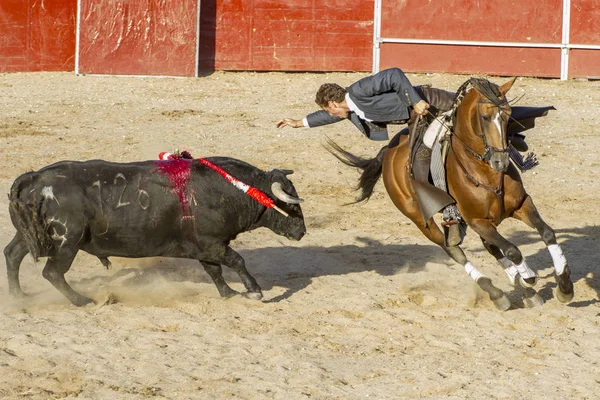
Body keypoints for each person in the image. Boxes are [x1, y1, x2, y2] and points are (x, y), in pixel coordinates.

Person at [276, 67, 463, 246]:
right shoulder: (350, 109)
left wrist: (415, 100)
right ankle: (451, 211)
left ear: (333, 104)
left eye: (328, 109)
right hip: (419, 120)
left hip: (434, 103)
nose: (330, 114)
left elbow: (393, 75)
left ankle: (453, 211)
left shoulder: (359, 90)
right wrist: (299, 123)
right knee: (419, 168)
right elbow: (327, 117)